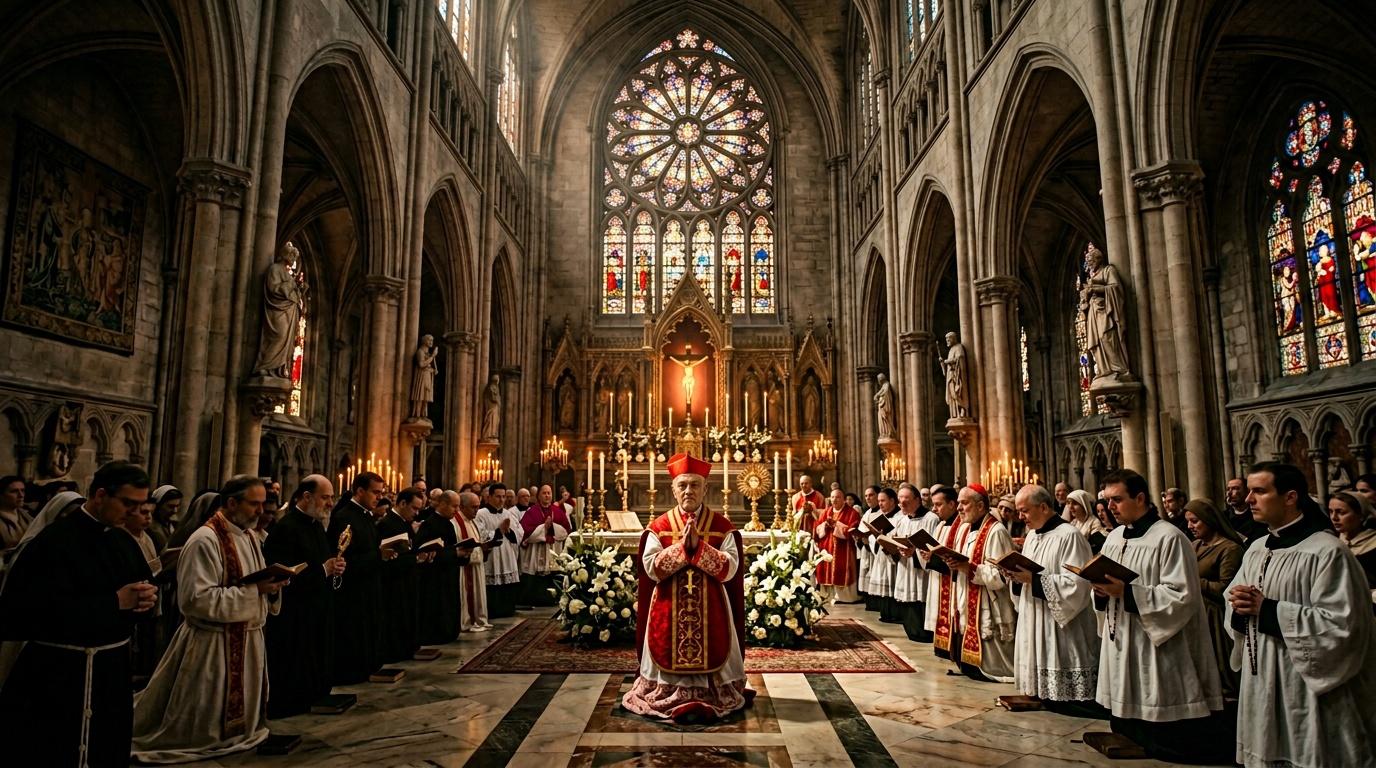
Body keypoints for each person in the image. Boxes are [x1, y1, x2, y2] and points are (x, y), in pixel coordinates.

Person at [0, 462, 155, 767]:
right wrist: (114, 603)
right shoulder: (52, 543)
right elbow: (21, 614)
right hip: (57, 674)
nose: (135, 513)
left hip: (111, 670)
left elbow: (137, 592)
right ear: (100, 495)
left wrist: (143, 602)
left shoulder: (123, 540)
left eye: (140, 505)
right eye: (128, 503)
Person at [1226, 462, 1376, 767]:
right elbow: (1236, 605)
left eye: (1259, 491)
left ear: (1291, 497)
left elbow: (1343, 626)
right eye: (1249, 491)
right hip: (1262, 675)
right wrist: (1238, 606)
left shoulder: (1327, 551)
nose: (1249, 499)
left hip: (1307, 685)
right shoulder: (1256, 548)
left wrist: (1267, 609)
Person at [131, 475, 282, 762]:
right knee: (205, 719)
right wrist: (255, 592)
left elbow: (255, 582)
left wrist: (272, 588)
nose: (261, 511)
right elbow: (196, 600)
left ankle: (238, 733)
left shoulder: (249, 536)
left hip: (246, 636)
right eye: (254, 504)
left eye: (263, 504)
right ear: (232, 502)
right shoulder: (204, 540)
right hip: (212, 644)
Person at [1091, 469, 1227, 764]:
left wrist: (1127, 593)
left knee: (1158, 695)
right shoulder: (1114, 537)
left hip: (1158, 640)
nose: (1110, 507)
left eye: (1117, 499)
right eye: (1107, 500)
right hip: (1123, 631)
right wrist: (1101, 593)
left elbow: (1181, 595)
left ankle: (1163, 741)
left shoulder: (1169, 538)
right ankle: (1127, 731)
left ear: (1140, 498)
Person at [622, 453, 748, 723]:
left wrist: (699, 548)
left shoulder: (721, 527)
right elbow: (651, 568)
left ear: (705, 488)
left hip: (712, 609)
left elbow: (730, 569)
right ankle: (667, 689)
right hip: (667, 607)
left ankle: (714, 690)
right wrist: (682, 549)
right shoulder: (660, 527)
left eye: (694, 485)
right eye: (683, 485)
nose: (688, 490)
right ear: (673, 489)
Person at [1009, 485, 1100, 711]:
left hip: (1060, 624)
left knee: (1068, 699)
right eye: (1019, 511)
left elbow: (1077, 585)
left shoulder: (1070, 536)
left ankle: (1069, 698)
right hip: (1035, 611)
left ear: (1043, 507)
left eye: (1025, 511)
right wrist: (1015, 577)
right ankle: (1042, 692)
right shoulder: (1031, 536)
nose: (1021, 517)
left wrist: (1035, 580)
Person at [263, 475, 345, 718]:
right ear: (306, 496)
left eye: (331, 498)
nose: (330, 503)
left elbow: (321, 561)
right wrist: (323, 569)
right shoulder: (286, 528)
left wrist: (334, 567)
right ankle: (293, 701)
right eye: (326, 497)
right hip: (295, 614)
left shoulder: (315, 525)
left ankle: (313, 694)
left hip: (317, 606)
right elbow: (280, 574)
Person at [931, 485, 1016, 682]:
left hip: (988, 600)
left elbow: (1002, 576)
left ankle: (993, 668)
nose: (959, 508)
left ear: (980, 505)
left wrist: (968, 568)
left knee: (989, 658)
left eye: (964, 503)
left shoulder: (997, 531)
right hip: (965, 593)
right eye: (958, 503)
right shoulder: (964, 529)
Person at [328, 472, 385, 683]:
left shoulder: (365, 516)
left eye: (381, 492)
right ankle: (352, 671)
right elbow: (344, 558)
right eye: (375, 492)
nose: (379, 497)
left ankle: (366, 666)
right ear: (360, 491)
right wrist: (379, 555)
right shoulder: (345, 518)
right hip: (353, 590)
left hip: (369, 584)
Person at [1184, 498, 1244, 697]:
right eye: (1188, 521)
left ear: (1209, 519)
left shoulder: (1229, 549)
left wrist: (1192, 579)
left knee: (1220, 670)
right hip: (1196, 610)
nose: (1190, 526)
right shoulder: (1194, 545)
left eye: (1194, 521)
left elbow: (1225, 588)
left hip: (1215, 615)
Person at [376, 485, 421, 662]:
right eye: (414, 508)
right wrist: (415, 559)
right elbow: (391, 558)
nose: (417, 513)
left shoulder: (403, 523)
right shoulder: (388, 524)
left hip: (406, 580)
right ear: (402, 503)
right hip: (394, 583)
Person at [891, 484, 941, 642]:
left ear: (918, 500)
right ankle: (912, 631)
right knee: (907, 601)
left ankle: (925, 634)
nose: (902, 502)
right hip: (906, 568)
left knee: (920, 600)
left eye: (906, 499)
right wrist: (899, 549)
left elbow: (933, 547)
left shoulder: (931, 519)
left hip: (921, 571)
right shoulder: (902, 520)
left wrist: (915, 552)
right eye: (900, 499)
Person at [416, 491, 463, 644]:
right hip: (435, 576)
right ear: (442, 504)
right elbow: (426, 552)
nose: (456, 510)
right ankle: (438, 633)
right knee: (438, 605)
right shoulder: (430, 524)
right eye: (454, 506)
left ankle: (450, 632)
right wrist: (454, 552)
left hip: (449, 573)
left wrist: (461, 553)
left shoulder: (448, 524)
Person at [919, 485, 961, 641]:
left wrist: (933, 557)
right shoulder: (941, 525)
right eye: (933, 504)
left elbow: (956, 557)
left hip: (951, 581)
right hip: (938, 579)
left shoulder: (961, 527)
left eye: (938, 504)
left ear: (951, 504)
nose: (934, 509)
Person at [519, 485, 570, 606]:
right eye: (544, 493)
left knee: (553, 573)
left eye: (549, 493)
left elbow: (566, 530)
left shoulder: (557, 511)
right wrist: (543, 528)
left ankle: (552, 599)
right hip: (536, 550)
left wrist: (552, 527)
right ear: (538, 496)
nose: (547, 495)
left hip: (552, 549)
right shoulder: (532, 511)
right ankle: (534, 599)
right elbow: (524, 531)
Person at [813, 488, 860, 604]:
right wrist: (825, 525)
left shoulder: (852, 513)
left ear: (844, 499)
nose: (835, 500)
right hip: (826, 548)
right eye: (833, 497)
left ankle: (845, 597)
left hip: (844, 549)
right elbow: (817, 529)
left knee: (842, 569)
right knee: (826, 570)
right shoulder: (825, 512)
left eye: (838, 497)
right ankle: (827, 595)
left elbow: (852, 530)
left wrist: (836, 525)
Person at [1329, 490, 1376, 607]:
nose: (1334, 517)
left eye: (1341, 512)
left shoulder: (1373, 543)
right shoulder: (1332, 541)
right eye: (1331, 512)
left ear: (1360, 515)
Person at [480, 485, 520, 618]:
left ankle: (507, 609)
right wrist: (498, 531)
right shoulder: (481, 514)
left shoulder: (508, 513)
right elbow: (480, 534)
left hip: (507, 553)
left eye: (503, 496)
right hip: (492, 554)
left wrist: (509, 531)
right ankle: (493, 611)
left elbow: (519, 533)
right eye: (498, 496)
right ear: (489, 497)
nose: (501, 500)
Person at [455, 491, 492, 632]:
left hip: (477, 565)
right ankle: (468, 621)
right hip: (466, 567)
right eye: (473, 507)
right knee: (468, 594)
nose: (477, 510)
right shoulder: (457, 522)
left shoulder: (472, 521)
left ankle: (479, 618)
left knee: (479, 593)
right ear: (462, 507)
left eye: (478, 506)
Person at [863, 488, 901, 623]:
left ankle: (895, 614)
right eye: (878, 501)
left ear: (892, 501)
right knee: (885, 584)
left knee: (893, 583)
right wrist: (875, 536)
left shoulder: (900, 517)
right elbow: (876, 539)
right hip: (882, 556)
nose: (880, 504)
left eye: (883, 500)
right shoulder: (882, 517)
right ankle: (886, 613)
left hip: (894, 558)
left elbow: (899, 538)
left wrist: (884, 537)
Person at [856, 486, 882, 611]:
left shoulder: (882, 513)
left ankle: (877, 603)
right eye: (866, 496)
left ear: (878, 496)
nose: (868, 498)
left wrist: (868, 541)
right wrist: (859, 538)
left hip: (876, 551)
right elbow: (862, 530)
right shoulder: (867, 513)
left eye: (871, 495)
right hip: (867, 550)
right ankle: (869, 602)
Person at [1225, 477, 1266, 543]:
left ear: (1247, 491)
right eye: (1228, 489)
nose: (1229, 493)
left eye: (1235, 488)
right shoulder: (1223, 517)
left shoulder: (1257, 516)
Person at [1066, 489, 1106, 554]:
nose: (1070, 507)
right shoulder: (1073, 523)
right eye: (1068, 503)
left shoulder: (1094, 522)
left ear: (1083, 505)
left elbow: (1097, 546)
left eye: (1075, 503)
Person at [148, 485, 182, 552]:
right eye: (170, 506)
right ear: (158, 505)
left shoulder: (175, 526)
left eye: (177, 506)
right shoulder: (149, 528)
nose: (175, 511)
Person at [0, 475, 30, 553]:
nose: (21, 495)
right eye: (14, 491)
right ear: (1, 495)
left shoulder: (28, 515)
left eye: (22, 491)